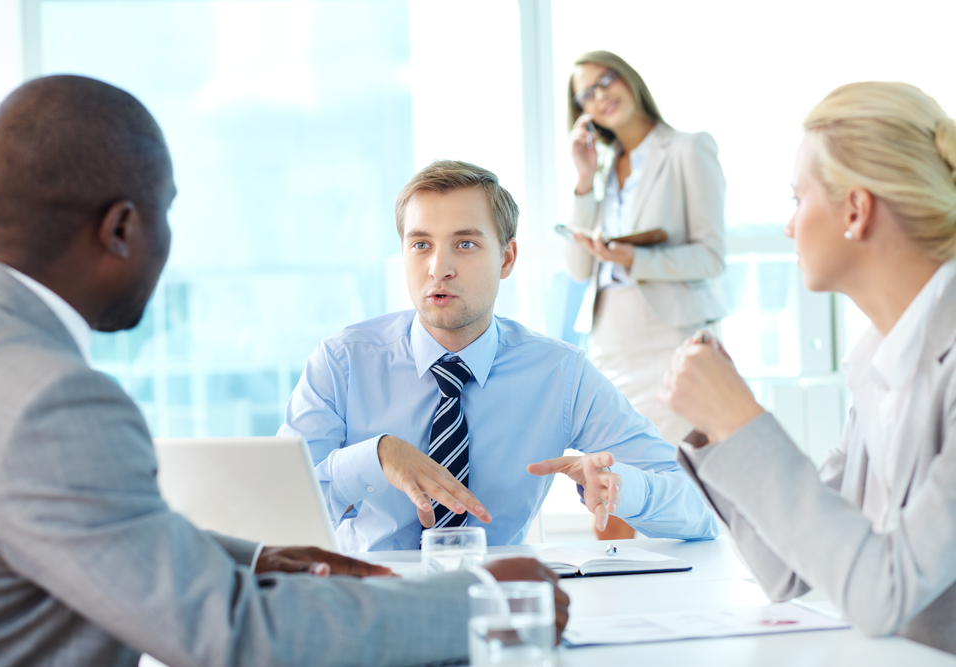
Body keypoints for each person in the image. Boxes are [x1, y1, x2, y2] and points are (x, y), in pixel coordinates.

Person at [0, 75, 568, 667]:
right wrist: (485, 600)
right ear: (121, 228)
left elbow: (99, 533)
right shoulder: (52, 401)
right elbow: (235, 636)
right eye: (166, 214)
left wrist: (255, 561)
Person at [279, 159, 718, 552]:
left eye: (465, 244)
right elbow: (274, 517)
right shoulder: (342, 364)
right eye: (421, 245)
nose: (439, 268)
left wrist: (627, 490)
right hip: (365, 602)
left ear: (507, 258)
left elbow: (702, 510)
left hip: (498, 601)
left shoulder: (560, 375)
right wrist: (373, 458)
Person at [658, 81, 956, 655]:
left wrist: (744, 423)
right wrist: (722, 428)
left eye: (797, 199)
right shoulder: (882, 364)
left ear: (856, 208)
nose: (790, 226)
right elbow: (792, 570)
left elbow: (884, 592)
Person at [563, 50, 726, 448]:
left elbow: (711, 256)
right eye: (586, 95)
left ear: (629, 78)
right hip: (611, 343)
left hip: (672, 336)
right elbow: (578, 268)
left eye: (606, 80)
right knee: (619, 472)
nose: (600, 96)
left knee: (678, 470)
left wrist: (635, 259)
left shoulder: (688, 149)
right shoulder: (600, 170)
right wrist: (584, 180)